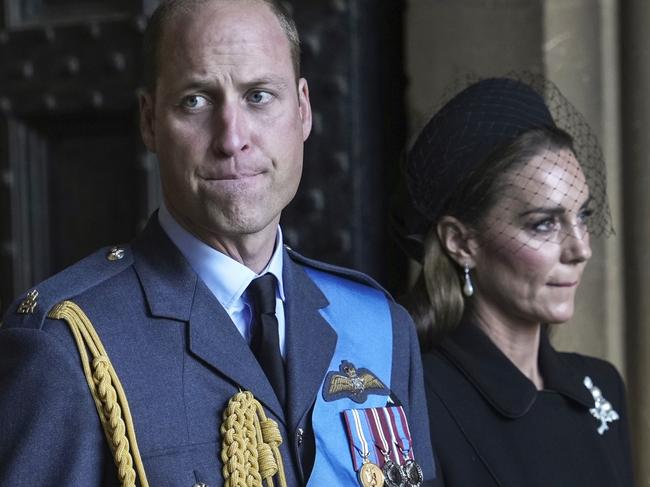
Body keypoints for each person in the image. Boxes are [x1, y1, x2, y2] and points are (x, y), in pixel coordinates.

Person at [0, 1, 441, 486]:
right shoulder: (69, 348)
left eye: (258, 96)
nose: (232, 138)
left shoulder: (378, 326)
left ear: (303, 109)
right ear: (149, 121)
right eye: (196, 100)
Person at [391, 76, 635, 486]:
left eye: (583, 217)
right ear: (461, 242)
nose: (580, 249)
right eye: (544, 224)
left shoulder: (600, 386)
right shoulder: (413, 399)